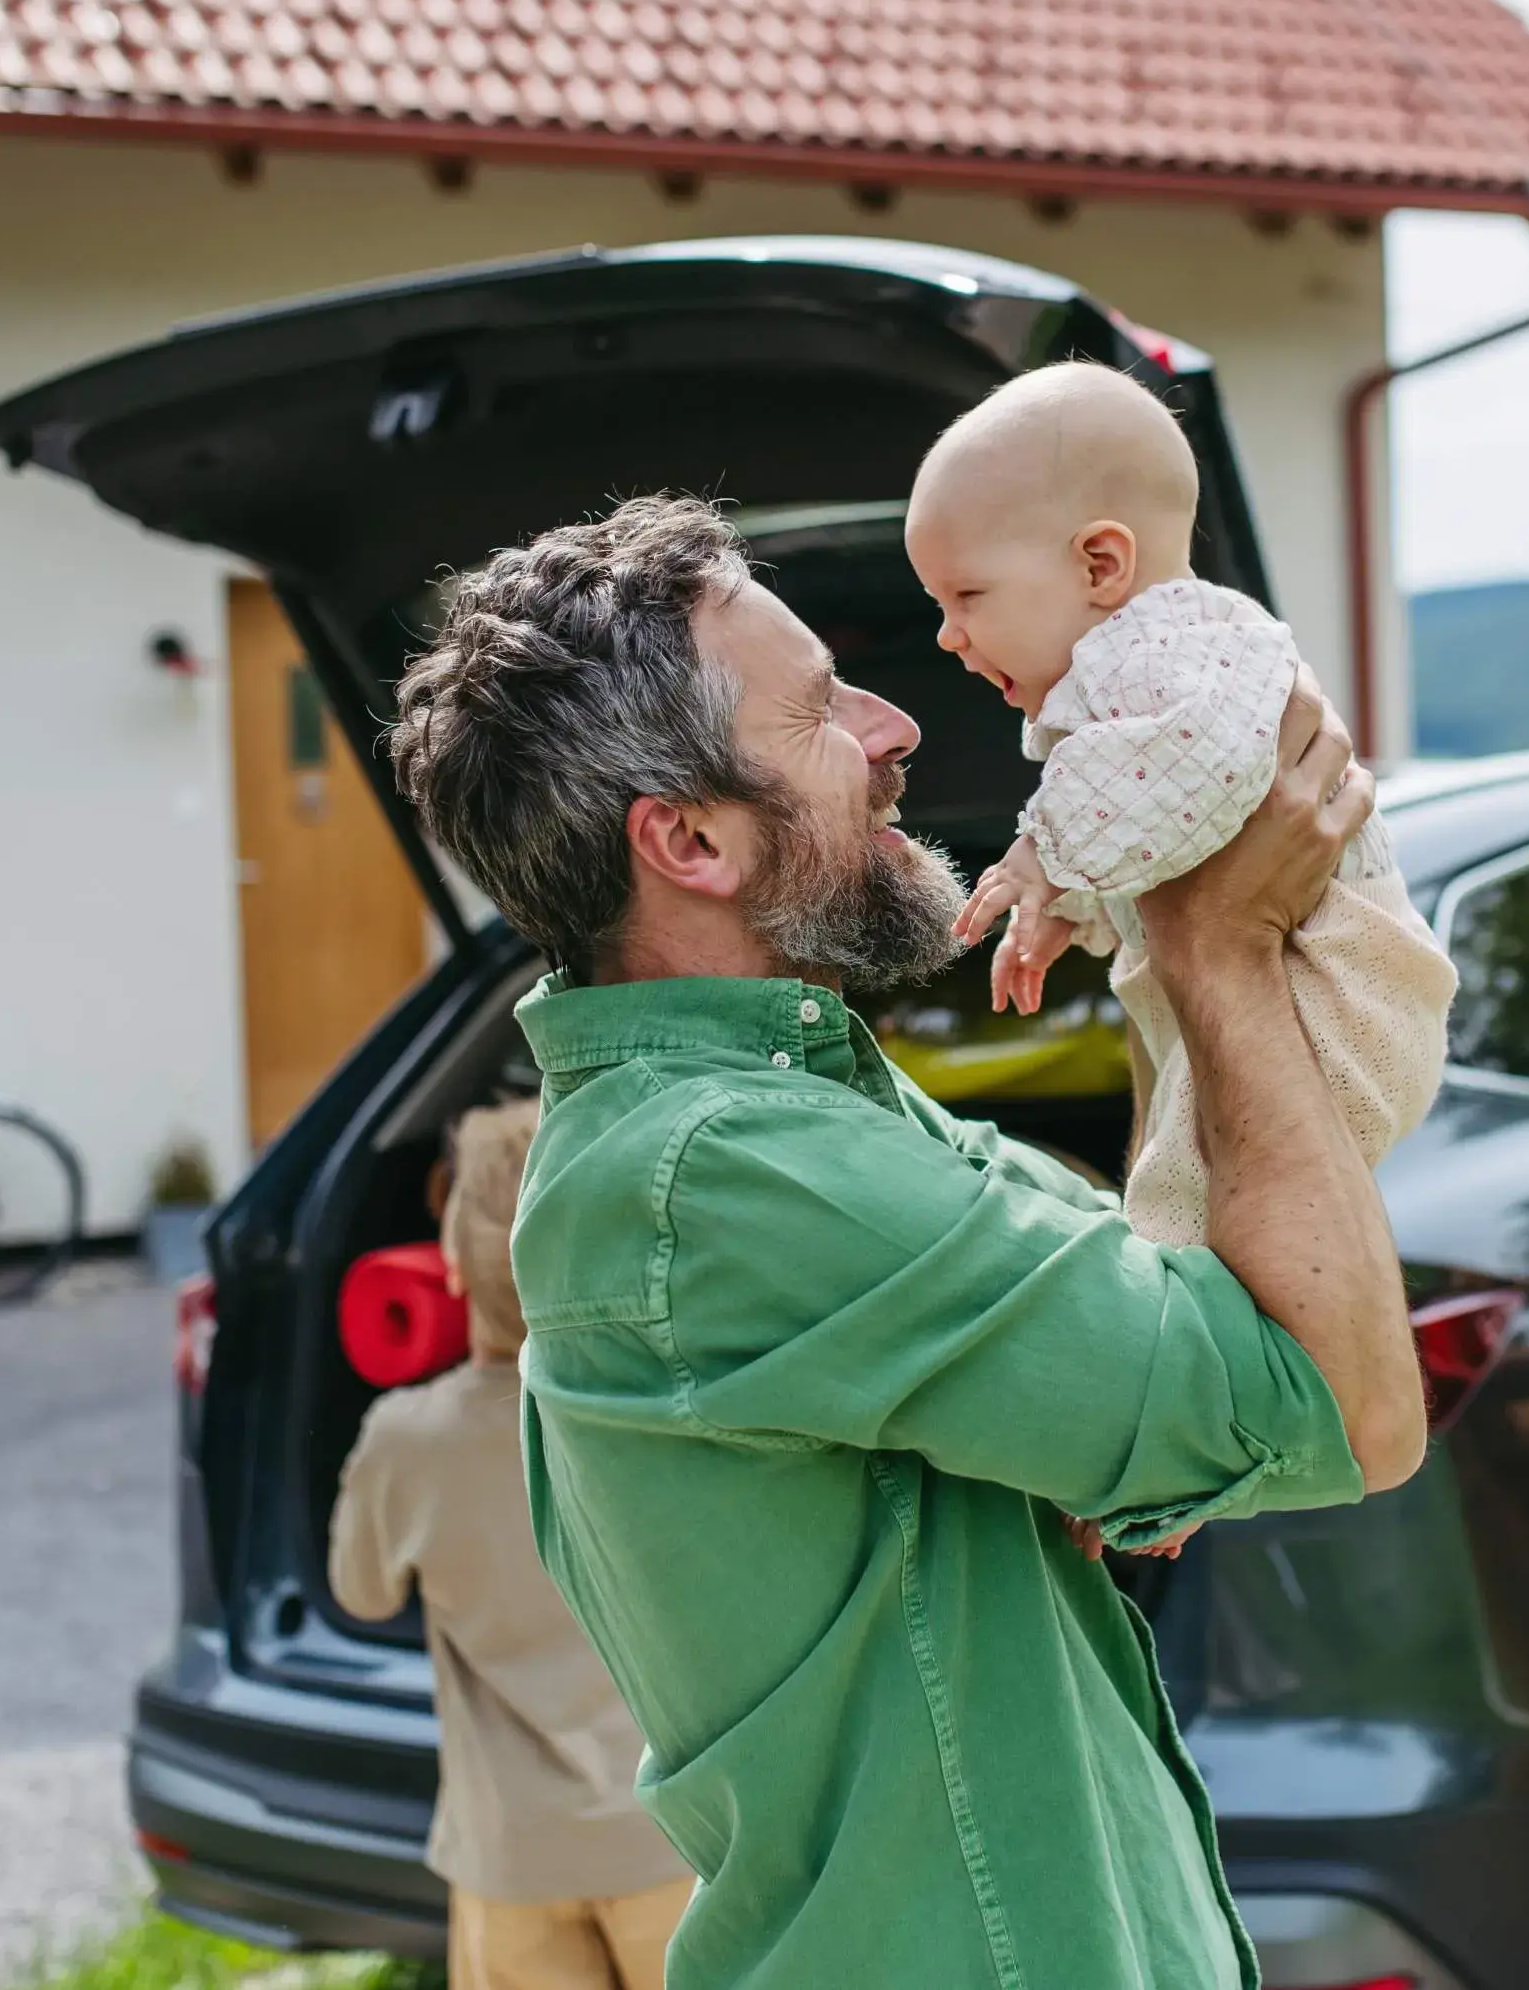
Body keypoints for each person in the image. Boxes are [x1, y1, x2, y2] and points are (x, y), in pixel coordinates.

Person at [384, 493, 1422, 1990]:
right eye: (818, 710)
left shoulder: (807, 1122)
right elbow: (1346, 1405)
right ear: (688, 840)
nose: (890, 728)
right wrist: (1215, 944)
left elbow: (1197, 1333)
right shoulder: (725, 1175)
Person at [902, 361, 1458, 1245]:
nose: (946, 633)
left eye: (966, 595)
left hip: (1338, 995)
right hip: (1291, 996)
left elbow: (1196, 769)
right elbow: (1164, 826)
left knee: (1186, 1212)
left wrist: (1042, 858)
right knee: (1193, 1179)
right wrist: (1072, 906)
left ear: (1100, 562)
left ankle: (1174, 1320)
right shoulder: (1124, 673)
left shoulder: (1180, 647)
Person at [327, 1096, 697, 1990]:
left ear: (449, 1267)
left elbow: (361, 1594)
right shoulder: (663, 1410)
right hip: (670, 1837)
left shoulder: (403, 1440)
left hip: (512, 1854)